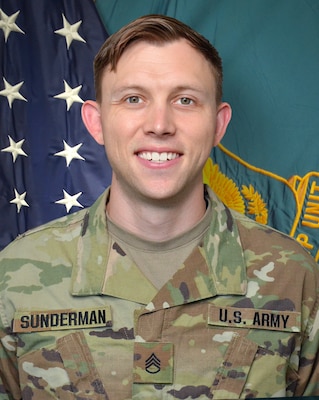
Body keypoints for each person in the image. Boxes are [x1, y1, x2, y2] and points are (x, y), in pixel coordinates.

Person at [0, 14, 318, 400]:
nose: (160, 124)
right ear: (96, 122)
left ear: (218, 125)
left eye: (185, 100)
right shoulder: (14, 276)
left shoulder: (297, 277)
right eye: (134, 99)